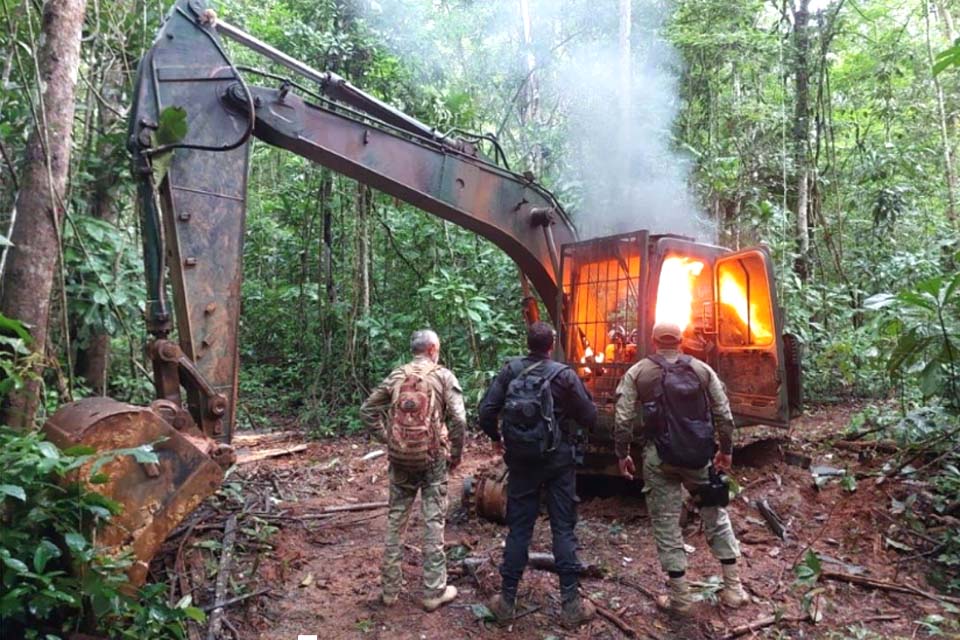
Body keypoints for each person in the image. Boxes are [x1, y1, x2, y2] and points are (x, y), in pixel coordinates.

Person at [614, 321, 749, 615]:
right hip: (699, 456)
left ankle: (681, 598)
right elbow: (723, 414)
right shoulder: (702, 370)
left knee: (665, 522)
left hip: (658, 458)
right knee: (715, 514)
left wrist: (622, 453)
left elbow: (622, 419)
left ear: (652, 340)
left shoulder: (639, 371)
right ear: (681, 340)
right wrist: (725, 450)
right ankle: (734, 589)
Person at [478, 321, 599, 628]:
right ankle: (571, 605)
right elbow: (590, 417)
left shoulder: (511, 370)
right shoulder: (564, 375)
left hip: (521, 462)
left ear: (527, 343)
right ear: (551, 344)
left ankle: (506, 601)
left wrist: (496, 437)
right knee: (563, 528)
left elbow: (486, 411)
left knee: (519, 528)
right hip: (559, 463)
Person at [360, 329, 466, 612]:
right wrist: (455, 454)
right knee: (433, 521)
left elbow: (367, 410)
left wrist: (388, 439)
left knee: (396, 520)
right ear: (433, 349)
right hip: (433, 459)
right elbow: (459, 420)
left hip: (400, 459)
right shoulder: (443, 376)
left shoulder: (397, 376)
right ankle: (433, 592)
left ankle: (389, 591)